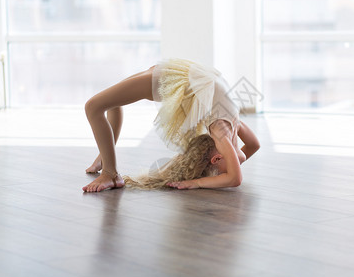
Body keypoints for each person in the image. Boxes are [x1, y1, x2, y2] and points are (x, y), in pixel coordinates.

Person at [83, 58, 260, 192]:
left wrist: (201, 180)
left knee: (99, 106)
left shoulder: (230, 127)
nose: (237, 163)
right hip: (174, 76)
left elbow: (249, 151)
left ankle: (108, 166)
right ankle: (109, 170)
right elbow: (236, 178)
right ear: (216, 159)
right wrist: (195, 183)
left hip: (173, 77)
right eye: (218, 172)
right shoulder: (223, 134)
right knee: (99, 106)